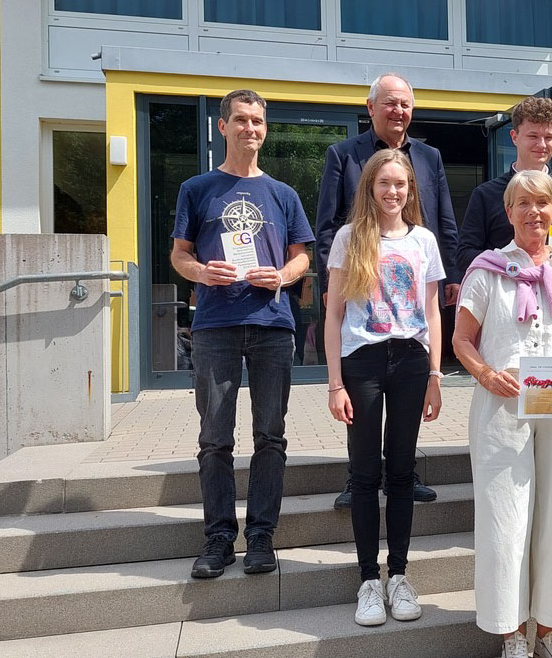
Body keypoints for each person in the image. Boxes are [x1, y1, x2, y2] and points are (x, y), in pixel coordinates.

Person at [453, 170, 552, 658]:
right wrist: (486, 374)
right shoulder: (487, 269)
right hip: (502, 408)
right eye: (523, 203)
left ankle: (550, 628)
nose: (533, 212)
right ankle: (512, 631)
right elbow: (461, 340)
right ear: (508, 211)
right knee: (505, 519)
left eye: (542, 203)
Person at [170, 89, 314, 579]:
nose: (250, 129)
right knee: (215, 439)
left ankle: (261, 537)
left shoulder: (284, 194)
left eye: (257, 121)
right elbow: (178, 254)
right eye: (241, 120)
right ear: (222, 127)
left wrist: (285, 276)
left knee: (270, 436)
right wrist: (199, 273)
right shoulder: (196, 188)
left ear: (264, 129)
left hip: (273, 326)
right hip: (215, 326)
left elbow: (302, 255)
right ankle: (217, 539)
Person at [317, 73, 457, 509]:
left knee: (404, 395)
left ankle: (405, 473)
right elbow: (327, 224)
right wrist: (330, 284)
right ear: (371, 107)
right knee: (362, 396)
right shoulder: (344, 154)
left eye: (405, 104)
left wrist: (449, 276)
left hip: (413, 284)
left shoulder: (430, 157)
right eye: (390, 103)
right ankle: (357, 475)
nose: (399, 111)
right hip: (358, 286)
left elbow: (443, 218)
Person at [325, 148, 444, 626]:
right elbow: (332, 316)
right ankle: (368, 581)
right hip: (363, 361)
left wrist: (436, 375)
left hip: (412, 362)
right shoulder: (349, 238)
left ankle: (398, 575)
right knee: (363, 476)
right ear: (369, 189)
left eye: (400, 184)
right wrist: (335, 384)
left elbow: (433, 312)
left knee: (400, 473)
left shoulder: (424, 241)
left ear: (410, 189)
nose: (393, 192)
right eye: (384, 184)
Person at [456, 96, 552, 277]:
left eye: (549, 137)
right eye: (533, 136)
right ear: (514, 137)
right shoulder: (486, 195)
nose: (542, 145)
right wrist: (514, 269)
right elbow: (465, 254)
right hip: (506, 294)